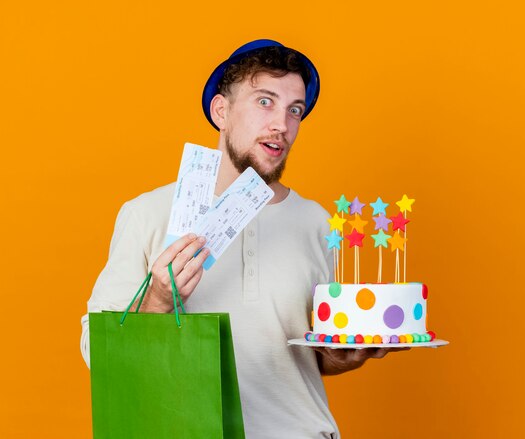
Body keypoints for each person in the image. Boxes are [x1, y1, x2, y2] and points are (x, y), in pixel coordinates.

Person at [81, 39, 403, 439]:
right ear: (221, 111)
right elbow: (97, 351)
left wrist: (345, 357)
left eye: (295, 110)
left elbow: (313, 360)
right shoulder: (147, 212)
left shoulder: (317, 223)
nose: (281, 125)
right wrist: (158, 300)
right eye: (264, 101)